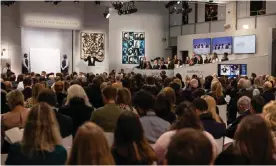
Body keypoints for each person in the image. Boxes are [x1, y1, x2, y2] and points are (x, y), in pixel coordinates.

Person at [153, 102, 217, 162]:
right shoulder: (208, 137)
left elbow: (157, 158)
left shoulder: (165, 138)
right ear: (196, 114)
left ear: (177, 116)